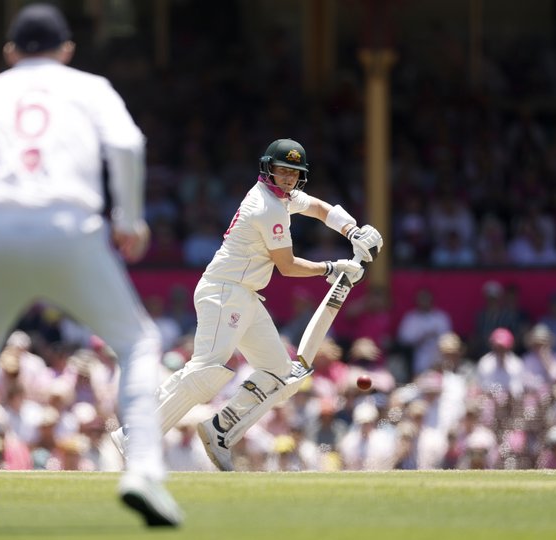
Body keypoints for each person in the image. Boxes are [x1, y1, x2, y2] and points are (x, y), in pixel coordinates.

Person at [0, 3, 181, 528]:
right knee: (139, 342)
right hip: (73, 228)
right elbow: (127, 143)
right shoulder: (90, 87)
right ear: (67, 50)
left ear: (10, 52)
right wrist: (129, 218)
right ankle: (143, 471)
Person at [113, 138, 382, 471]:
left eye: (294, 173)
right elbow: (287, 266)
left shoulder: (283, 197)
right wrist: (330, 268)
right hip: (224, 292)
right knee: (206, 371)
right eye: (282, 171)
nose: (288, 178)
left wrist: (352, 231)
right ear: (268, 169)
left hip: (244, 296)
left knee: (283, 375)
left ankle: (220, 429)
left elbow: (318, 208)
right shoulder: (267, 207)